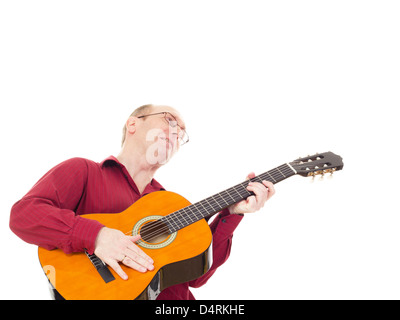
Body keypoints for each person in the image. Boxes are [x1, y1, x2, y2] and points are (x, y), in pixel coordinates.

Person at [9, 104, 275, 300]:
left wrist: (232, 213)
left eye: (182, 133)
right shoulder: (83, 171)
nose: (177, 132)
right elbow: (24, 216)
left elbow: (197, 277)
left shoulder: (169, 205)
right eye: (170, 120)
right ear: (133, 124)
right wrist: (97, 235)